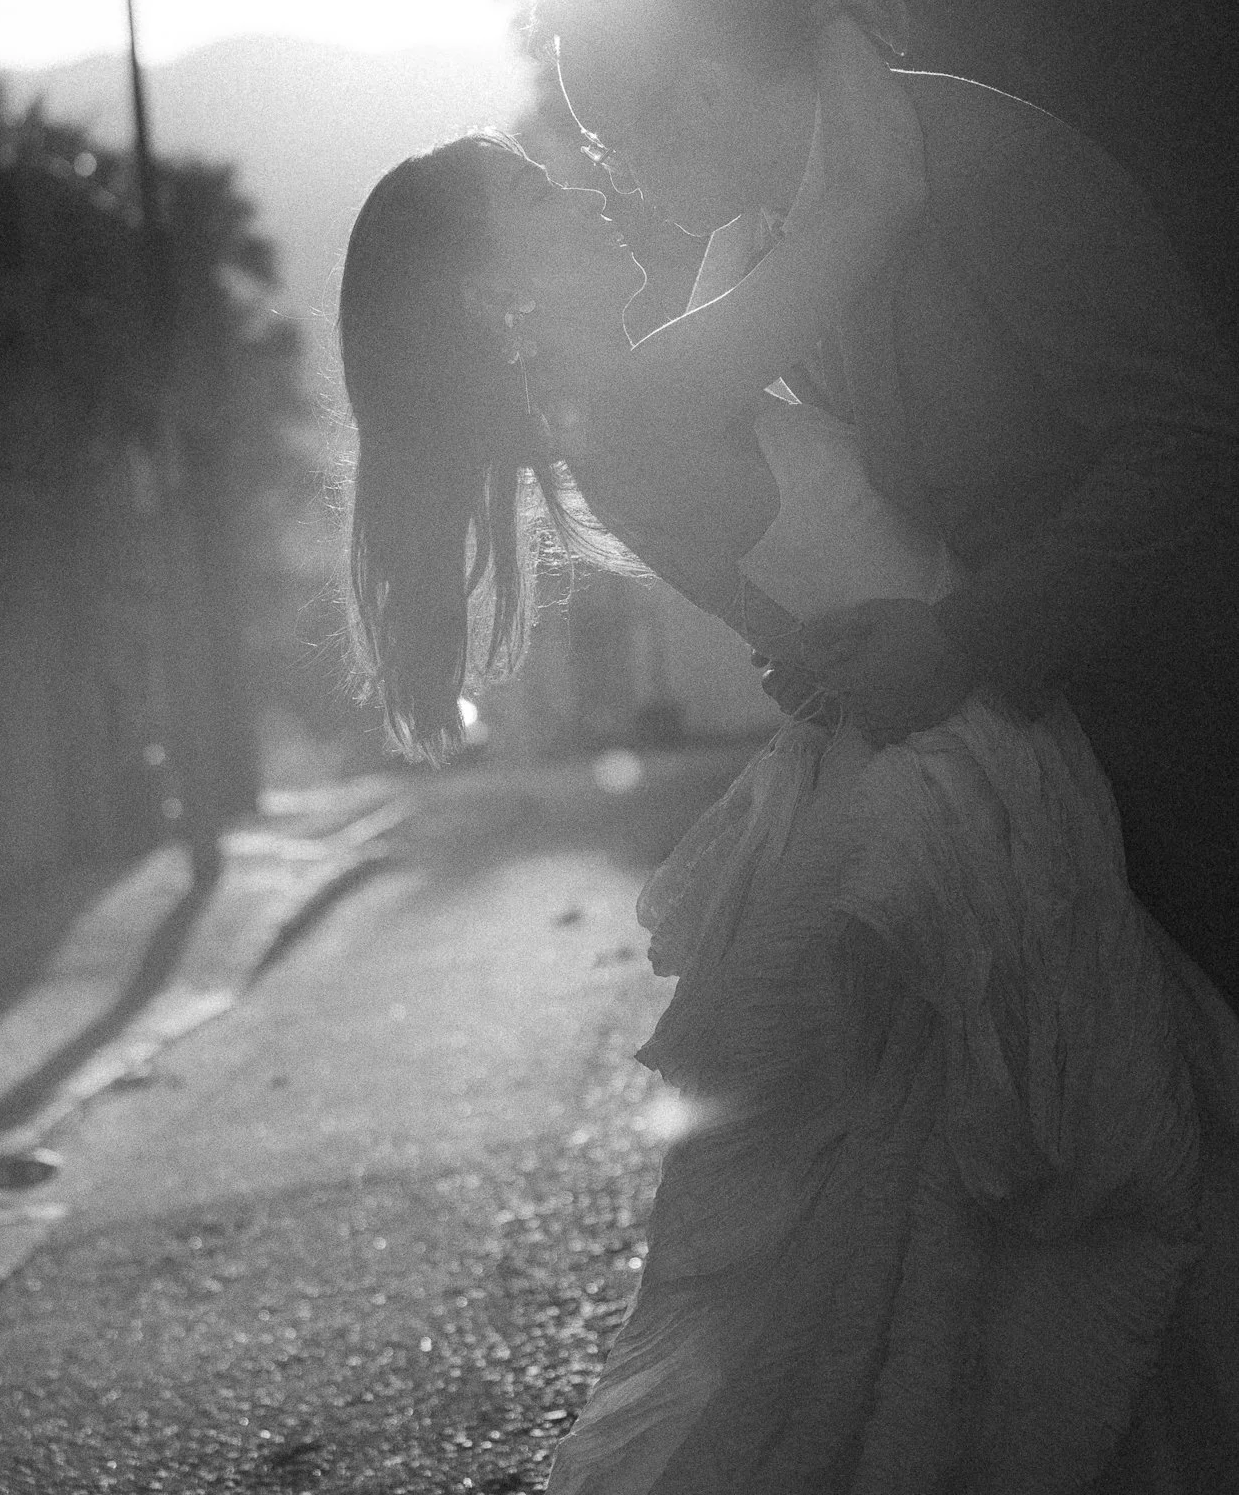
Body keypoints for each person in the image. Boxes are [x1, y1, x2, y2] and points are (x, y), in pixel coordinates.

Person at [337, 99, 1239, 1489]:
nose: (584, 190)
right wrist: (833, 26)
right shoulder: (646, 394)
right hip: (957, 756)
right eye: (538, 198)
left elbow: (754, 234)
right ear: (490, 292)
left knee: (932, 1244)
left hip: (921, 746)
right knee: (991, 1220)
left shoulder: (622, 396)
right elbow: (866, 198)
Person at [531, 0, 1239, 1019]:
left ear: (702, 91)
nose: (622, 180)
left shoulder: (983, 166)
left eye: (616, 142)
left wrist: (961, 638)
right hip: (1055, 805)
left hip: (1190, 755)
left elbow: (1190, 440)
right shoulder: (791, 243)